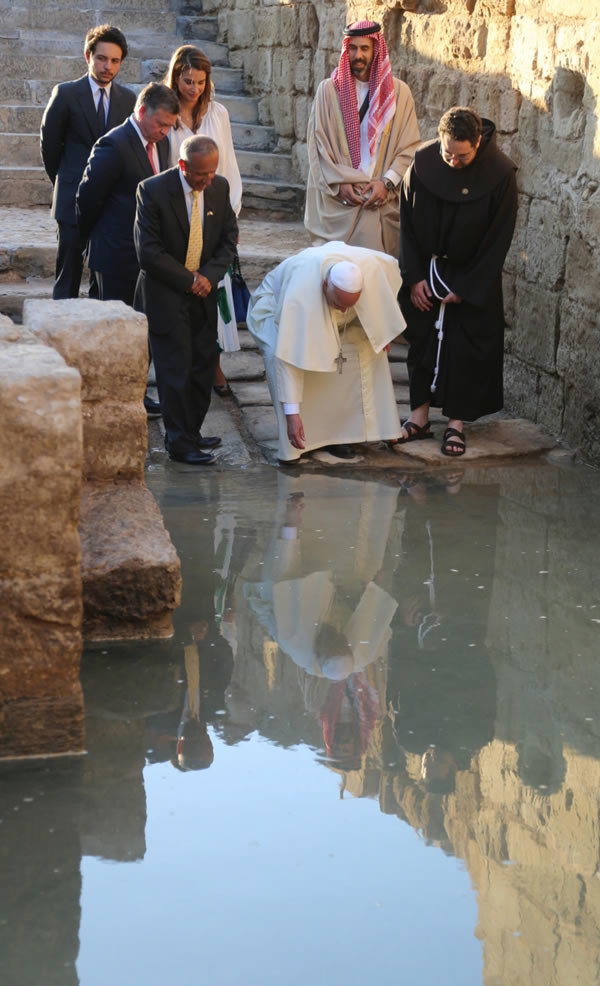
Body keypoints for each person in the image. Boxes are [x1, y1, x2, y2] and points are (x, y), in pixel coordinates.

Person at [398, 106, 518, 456]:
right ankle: (418, 418)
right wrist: (415, 277)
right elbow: (406, 225)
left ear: (478, 143)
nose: (452, 160)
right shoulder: (422, 165)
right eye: (447, 152)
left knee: (465, 348)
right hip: (428, 271)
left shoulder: (501, 175)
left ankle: (455, 424)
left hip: (472, 275)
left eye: (461, 155)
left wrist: (465, 287)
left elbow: (499, 238)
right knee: (421, 342)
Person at [247, 241, 405, 463]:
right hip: (273, 309)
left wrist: (382, 330)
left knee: (367, 346)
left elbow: (387, 284)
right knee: (277, 351)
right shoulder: (299, 296)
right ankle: (298, 441)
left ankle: (365, 430)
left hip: (325, 303)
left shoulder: (372, 267)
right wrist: (292, 415)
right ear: (324, 285)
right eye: (338, 303)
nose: (342, 310)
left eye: (349, 304)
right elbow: (288, 358)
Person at [133, 135, 238, 465]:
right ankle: (178, 443)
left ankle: (191, 431)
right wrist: (189, 280)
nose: (206, 181)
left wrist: (208, 275)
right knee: (174, 370)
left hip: (204, 293)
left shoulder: (219, 189)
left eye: (211, 173)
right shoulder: (151, 191)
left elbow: (228, 240)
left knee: (201, 367)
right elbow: (148, 253)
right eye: (199, 175)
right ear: (183, 166)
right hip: (166, 293)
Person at [77, 82, 179, 417]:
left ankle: (135, 392)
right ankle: (111, 396)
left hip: (146, 256)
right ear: (141, 112)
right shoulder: (114, 144)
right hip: (116, 254)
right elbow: (87, 199)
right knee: (114, 331)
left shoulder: (160, 145)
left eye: (169, 126)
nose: (165, 132)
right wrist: (100, 240)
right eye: (160, 124)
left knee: (140, 330)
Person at [164, 44, 243, 398]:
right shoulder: (167, 114)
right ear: (176, 77)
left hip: (212, 212)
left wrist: (231, 218)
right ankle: (183, 367)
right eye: (186, 81)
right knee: (182, 294)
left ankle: (213, 365)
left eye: (199, 81)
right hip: (177, 216)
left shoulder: (219, 113)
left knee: (212, 293)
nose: (193, 88)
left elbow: (228, 169)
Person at [304, 20, 420, 258]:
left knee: (372, 271)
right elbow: (318, 145)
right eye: (353, 48)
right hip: (340, 198)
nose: (358, 55)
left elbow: (409, 147)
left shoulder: (400, 93)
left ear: (376, 50)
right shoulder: (328, 91)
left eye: (365, 48)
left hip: (378, 197)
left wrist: (385, 183)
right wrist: (340, 184)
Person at [40, 24, 135, 300]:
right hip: (71, 199)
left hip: (111, 204)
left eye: (115, 60)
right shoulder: (66, 94)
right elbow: (49, 147)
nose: (108, 66)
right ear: (88, 56)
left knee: (103, 278)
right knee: (67, 274)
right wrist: (65, 182)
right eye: (102, 58)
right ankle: (57, 330)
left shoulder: (129, 100)